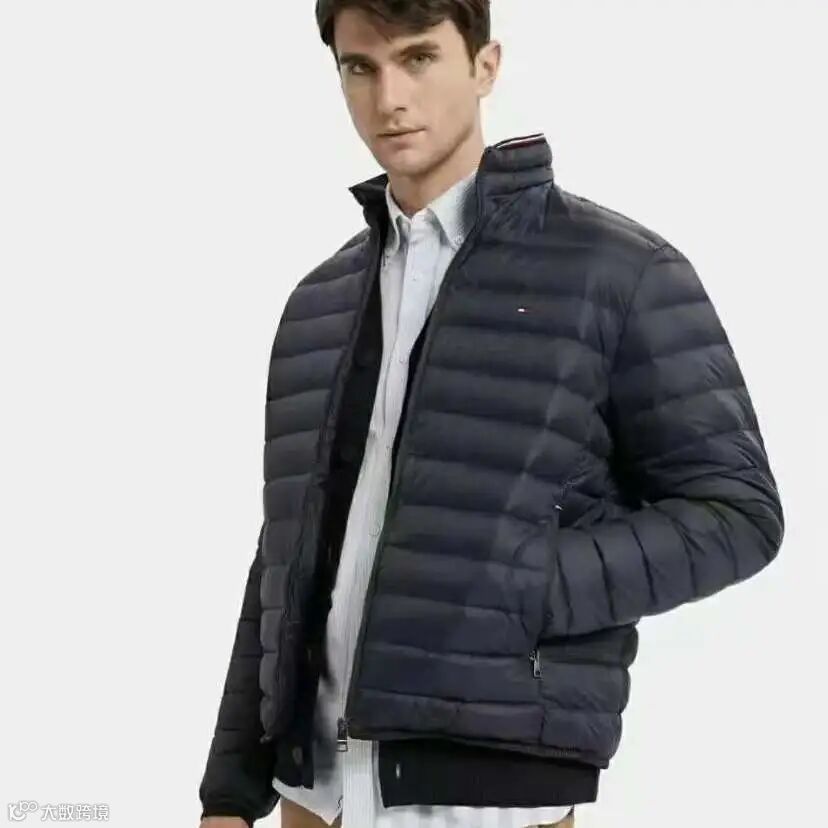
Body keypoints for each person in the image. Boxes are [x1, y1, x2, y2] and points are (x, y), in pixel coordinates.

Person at [198, 2, 785, 826]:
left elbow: (738, 514)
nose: (389, 98)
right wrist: (229, 790)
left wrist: (518, 587)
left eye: (418, 58)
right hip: (314, 796)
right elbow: (284, 559)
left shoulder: (617, 273)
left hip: (488, 801)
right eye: (361, 68)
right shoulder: (320, 301)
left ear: (485, 66)